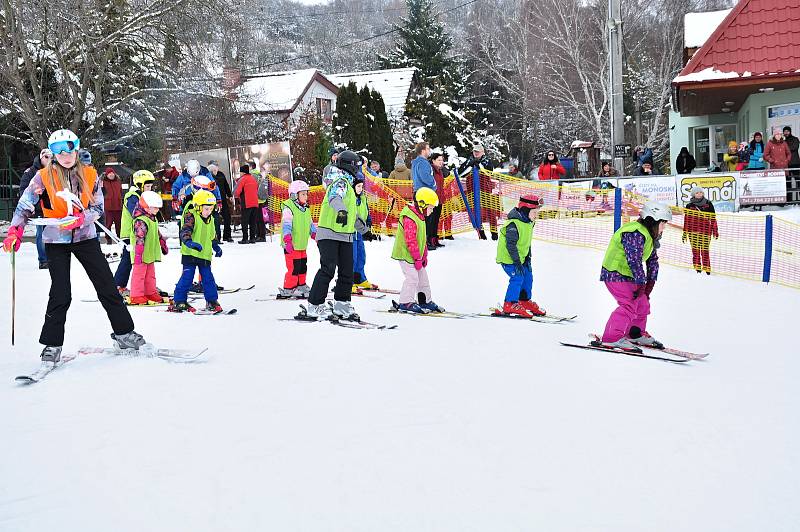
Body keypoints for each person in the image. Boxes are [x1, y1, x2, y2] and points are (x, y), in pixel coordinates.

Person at [2, 129, 146, 368]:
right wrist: (15, 229)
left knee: (106, 285)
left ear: (76, 149)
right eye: (58, 150)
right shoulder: (41, 177)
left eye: (69, 149)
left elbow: (98, 209)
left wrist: (81, 219)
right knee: (61, 292)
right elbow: (25, 204)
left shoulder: (90, 175)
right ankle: (52, 345)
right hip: (55, 239)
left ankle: (124, 334)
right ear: (52, 153)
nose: (65, 154)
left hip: (85, 237)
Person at [597, 201, 671, 352]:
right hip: (614, 273)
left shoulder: (649, 236)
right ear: (653, 221)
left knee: (642, 302)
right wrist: (641, 282)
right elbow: (634, 260)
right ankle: (611, 338)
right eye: (663, 224)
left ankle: (634, 333)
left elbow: (653, 261)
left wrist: (650, 283)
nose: (664, 228)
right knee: (629, 304)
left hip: (629, 275)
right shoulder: (635, 233)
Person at [304, 150, 361, 321]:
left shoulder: (349, 184)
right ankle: (315, 305)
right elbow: (335, 198)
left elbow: (351, 213)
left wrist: (364, 229)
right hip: (329, 233)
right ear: (349, 166)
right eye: (356, 166)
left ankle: (342, 303)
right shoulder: (341, 181)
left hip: (344, 234)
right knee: (328, 269)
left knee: (346, 272)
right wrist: (341, 211)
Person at [391, 187, 445, 313]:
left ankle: (424, 300)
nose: (432, 211)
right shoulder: (410, 217)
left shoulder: (420, 216)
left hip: (415, 256)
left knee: (423, 278)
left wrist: (424, 256)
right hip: (405, 254)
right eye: (431, 208)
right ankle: (405, 302)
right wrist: (417, 258)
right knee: (412, 278)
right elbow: (411, 241)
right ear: (422, 204)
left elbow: (421, 239)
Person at [169, 190, 224, 313]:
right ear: (198, 207)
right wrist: (189, 242)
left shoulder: (210, 219)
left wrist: (216, 246)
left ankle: (212, 301)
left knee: (208, 279)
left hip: (204, 255)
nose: (209, 212)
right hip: (190, 254)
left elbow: (212, 235)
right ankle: (179, 301)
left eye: (211, 209)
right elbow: (185, 231)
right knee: (187, 277)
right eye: (206, 209)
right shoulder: (191, 216)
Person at [495, 194, 545, 317]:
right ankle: (510, 303)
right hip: (509, 259)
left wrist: (527, 257)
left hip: (521, 258)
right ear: (525, 210)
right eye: (534, 212)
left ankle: (524, 300)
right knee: (517, 277)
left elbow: (526, 241)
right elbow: (510, 245)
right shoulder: (513, 224)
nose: (536, 215)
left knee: (528, 276)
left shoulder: (529, 222)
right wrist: (517, 262)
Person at [115, 169, 155, 296]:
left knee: (142, 260)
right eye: (147, 186)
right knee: (128, 259)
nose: (149, 189)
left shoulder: (143, 196)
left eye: (150, 186)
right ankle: (118, 285)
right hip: (130, 234)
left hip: (140, 233)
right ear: (139, 185)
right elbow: (136, 213)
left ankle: (144, 284)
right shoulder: (132, 196)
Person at [129, 191, 169, 304]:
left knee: (150, 275)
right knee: (139, 275)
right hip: (140, 254)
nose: (157, 210)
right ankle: (136, 295)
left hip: (150, 253)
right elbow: (139, 238)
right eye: (155, 208)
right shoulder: (141, 221)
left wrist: (162, 243)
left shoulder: (152, 218)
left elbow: (156, 232)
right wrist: (138, 254)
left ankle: (150, 292)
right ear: (146, 207)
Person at [279, 180, 317, 299]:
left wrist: (316, 235)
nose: (306, 197)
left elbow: (310, 224)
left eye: (306, 194)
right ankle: (289, 287)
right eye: (303, 194)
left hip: (302, 245)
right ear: (294, 195)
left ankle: (301, 284)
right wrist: (287, 240)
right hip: (291, 245)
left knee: (302, 266)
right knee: (293, 268)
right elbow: (286, 225)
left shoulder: (305, 209)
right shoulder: (288, 208)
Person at [19, 148, 52, 269]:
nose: (48, 160)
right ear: (41, 157)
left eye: (51, 157)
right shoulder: (31, 172)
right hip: (39, 209)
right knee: (41, 234)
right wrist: (35, 201)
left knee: (54, 234)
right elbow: (23, 190)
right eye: (46, 157)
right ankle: (43, 260)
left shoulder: (55, 170)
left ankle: (53, 258)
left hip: (53, 209)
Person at [459, 144, 498, 239]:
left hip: (485, 190)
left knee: (490, 211)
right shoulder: (468, 160)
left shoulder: (487, 160)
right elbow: (461, 172)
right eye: (474, 151)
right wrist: (469, 164)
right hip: (472, 190)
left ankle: (494, 232)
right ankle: (481, 232)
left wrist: (480, 165)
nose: (476, 153)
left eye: (478, 151)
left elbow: (490, 171)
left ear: (482, 152)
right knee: (476, 211)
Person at [682, 185, 718, 275]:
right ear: (693, 194)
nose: (699, 194)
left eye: (701, 192)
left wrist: (715, 231)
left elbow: (713, 218)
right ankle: (697, 269)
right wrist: (685, 233)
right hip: (693, 232)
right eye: (697, 192)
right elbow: (686, 220)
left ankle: (707, 269)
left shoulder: (708, 204)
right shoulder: (689, 206)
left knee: (705, 251)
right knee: (695, 251)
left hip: (706, 232)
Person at [352, 174, 378, 291]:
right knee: (352, 258)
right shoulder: (349, 198)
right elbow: (352, 216)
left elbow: (365, 210)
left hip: (360, 234)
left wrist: (368, 221)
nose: (360, 189)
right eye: (358, 186)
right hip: (351, 233)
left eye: (362, 186)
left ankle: (360, 279)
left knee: (361, 256)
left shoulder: (362, 197)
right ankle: (349, 281)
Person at [411, 142, 437, 251]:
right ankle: (424, 242)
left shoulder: (415, 162)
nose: (429, 150)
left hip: (418, 192)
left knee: (422, 218)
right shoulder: (423, 163)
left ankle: (422, 241)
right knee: (427, 219)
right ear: (423, 150)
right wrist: (434, 183)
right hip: (425, 193)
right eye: (428, 148)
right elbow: (426, 177)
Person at [209, 160, 233, 242]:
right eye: (214, 167)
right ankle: (216, 237)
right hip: (213, 202)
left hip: (223, 200)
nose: (216, 169)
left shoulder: (221, 174)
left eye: (216, 167)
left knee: (227, 217)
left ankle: (227, 236)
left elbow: (226, 185)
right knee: (216, 219)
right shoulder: (208, 176)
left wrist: (229, 195)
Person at [234, 164, 259, 244]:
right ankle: (252, 238)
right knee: (252, 221)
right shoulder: (253, 179)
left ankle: (245, 238)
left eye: (240, 172)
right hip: (255, 203)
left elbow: (237, 192)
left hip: (246, 203)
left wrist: (236, 197)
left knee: (244, 221)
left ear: (243, 172)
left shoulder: (242, 179)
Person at [430, 153, 451, 244]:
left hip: (440, 198)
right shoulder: (430, 169)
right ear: (433, 161)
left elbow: (448, 174)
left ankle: (435, 239)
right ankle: (430, 239)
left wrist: (442, 167)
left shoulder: (440, 170)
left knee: (436, 220)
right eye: (439, 160)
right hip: (432, 198)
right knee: (431, 220)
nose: (441, 162)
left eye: (442, 160)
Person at [101, 167, 123, 243]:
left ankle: (119, 238)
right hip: (108, 207)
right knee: (108, 224)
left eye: (112, 173)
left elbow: (121, 191)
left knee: (119, 224)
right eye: (109, 173)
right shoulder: (103, 182)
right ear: (106, 175)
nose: (111, 175)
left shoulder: (118, 181)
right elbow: (101, 193)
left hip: (118, 206)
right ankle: (108, 239)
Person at [784, 126, 800, 202]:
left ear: (790, 132)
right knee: (787, 183)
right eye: (785, 131)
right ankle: (789, 201)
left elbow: (795, 147)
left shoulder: (795, 139)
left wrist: (785, 148)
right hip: (786, 165)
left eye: (787, 131)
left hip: (795, 164)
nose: (786, 133)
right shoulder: (783, 141)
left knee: (799, 182)